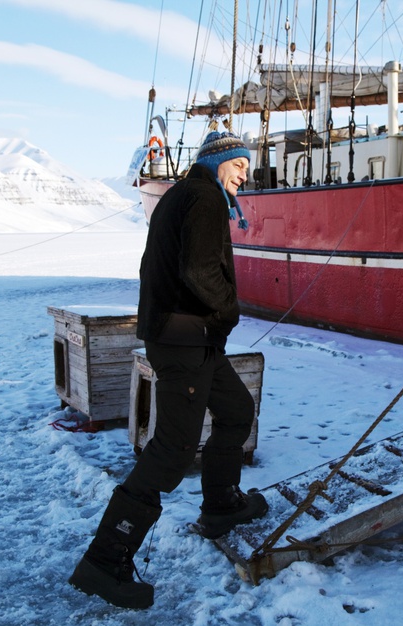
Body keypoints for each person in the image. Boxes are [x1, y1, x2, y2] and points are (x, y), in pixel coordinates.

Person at [68, 131, 268, 609]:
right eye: (240, 164)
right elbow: (199, 272)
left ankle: (221, 505)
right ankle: (104, 559)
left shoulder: (189, 194)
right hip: (185, 341)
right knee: (174, 450)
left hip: (190, 338)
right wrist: (228, 312)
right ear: (219, 162)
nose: (246, 173)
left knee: (236, 410)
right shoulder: (202, 198)